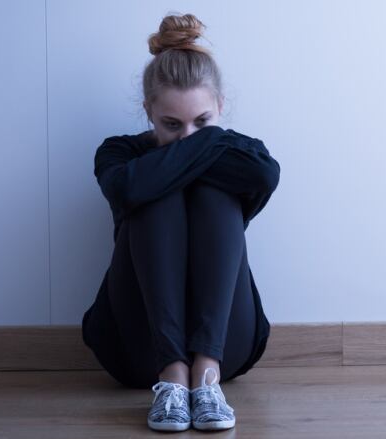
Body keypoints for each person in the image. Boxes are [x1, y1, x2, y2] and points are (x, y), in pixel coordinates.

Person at [80, 12, 280, 432]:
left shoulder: (246, 158)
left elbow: (266, 175)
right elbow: (128, 190)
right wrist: (207, 145)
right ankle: (171, 377)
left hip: (229, 345)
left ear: (220, 106)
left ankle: (205, 376)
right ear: (148, 109)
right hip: (136, 349)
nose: (188, 137)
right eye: (172, 124)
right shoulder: (118, 152)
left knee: (210, 190)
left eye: (203, 123)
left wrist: (180, 154)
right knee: (154, 191)